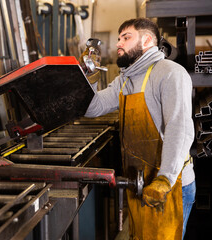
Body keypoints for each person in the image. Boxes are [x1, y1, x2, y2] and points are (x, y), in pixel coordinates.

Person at [84, 18, 196, 239]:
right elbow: (92, 108)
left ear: (146, 40)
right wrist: (90, 75)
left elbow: (179, 128)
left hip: (171, 185)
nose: (118, 44)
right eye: (118, 39)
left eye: (126, 37)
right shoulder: (125, 80)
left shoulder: (170, 72)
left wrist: (165, 179)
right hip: (140, 183)